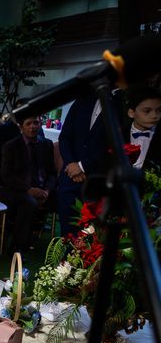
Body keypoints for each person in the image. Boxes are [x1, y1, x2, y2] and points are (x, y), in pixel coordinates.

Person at [57, 92, 121, 236]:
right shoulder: (83, 99)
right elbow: (65, 137)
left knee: (92, 235)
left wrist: (82, 166)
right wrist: (71, 164)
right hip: (70, 178)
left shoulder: (120, 103)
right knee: (66, 233)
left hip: (98, 180)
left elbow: (114, 145)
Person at [0, 115, 57, 253]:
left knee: (66, 198)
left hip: (43, 190)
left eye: (36, 123)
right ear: (21, 127)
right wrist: (29, 189)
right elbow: (6, 176)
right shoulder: (11, 146)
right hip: (17, 189)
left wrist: (47, 190)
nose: (33, 127)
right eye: (28, 123)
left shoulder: (47, 144)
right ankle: (18, 247)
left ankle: (70, 246)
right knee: (28, 203)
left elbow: (52, 173)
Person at [124, 86, 161, 169]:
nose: (155, 115)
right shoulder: (117, 136)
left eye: (159, 110)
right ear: (131, 113)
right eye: (147, 111)